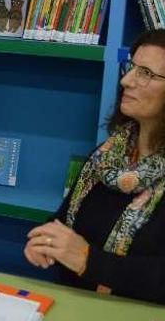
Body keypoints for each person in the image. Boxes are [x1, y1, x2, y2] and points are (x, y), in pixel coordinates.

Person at [25, 30, 165, 305]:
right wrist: (44, 241)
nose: (126, 80)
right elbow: (64, 221)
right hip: (74, 304)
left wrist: (88, 260)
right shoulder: (107, 156)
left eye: (146, 73)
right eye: (131, 67)